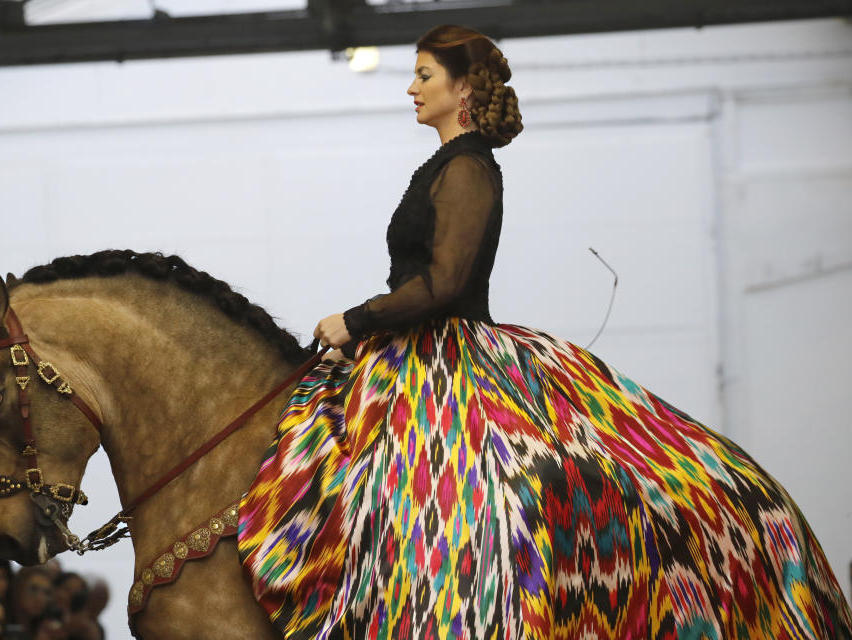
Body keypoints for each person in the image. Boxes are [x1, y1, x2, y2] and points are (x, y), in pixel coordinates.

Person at [236, 23, 852, 640]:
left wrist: (357, 319)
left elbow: (445, 283)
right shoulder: (446, 164)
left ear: (463, 88)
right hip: (410, 352)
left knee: (436, 494)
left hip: (446, 358)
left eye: (423, 76)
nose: (410, 89)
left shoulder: (468, 168)